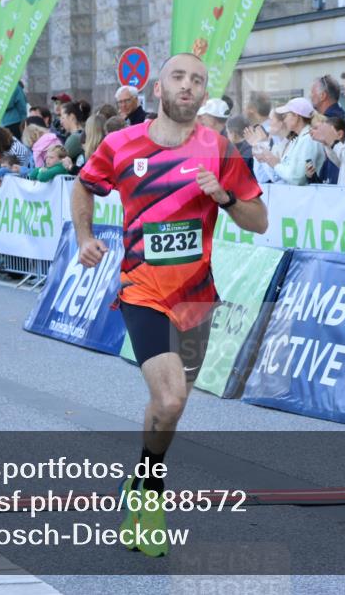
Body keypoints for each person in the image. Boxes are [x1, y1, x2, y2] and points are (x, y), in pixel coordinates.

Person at [73, 52, 267, 557]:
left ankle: (139, 478)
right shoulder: (120, 144)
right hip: (142, 290)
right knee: (170, 400)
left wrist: (224, 197)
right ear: (158, 89)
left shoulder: (219, 148)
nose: (188, 86)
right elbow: (83, 186)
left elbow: (259, 220)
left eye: (197, 80)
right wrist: (84, 237)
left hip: (196, 296)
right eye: (179, 77)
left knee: (168, 410)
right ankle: (153, 494)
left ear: (204, 95)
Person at [253, 97, 325, 186]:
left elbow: (297, 178)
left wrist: (274, 163)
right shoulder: (299, 139)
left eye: (286, 116)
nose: (284, 120)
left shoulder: (308, 139)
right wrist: (271, 160)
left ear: (296, 116)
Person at [245, 109, 290, 184]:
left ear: (280, 123)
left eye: (271, 119)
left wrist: (260, 145)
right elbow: (262, 177)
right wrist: (258, 145)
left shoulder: (291, 143)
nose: (269, 123)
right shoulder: (277, 145)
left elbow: (276, 177)